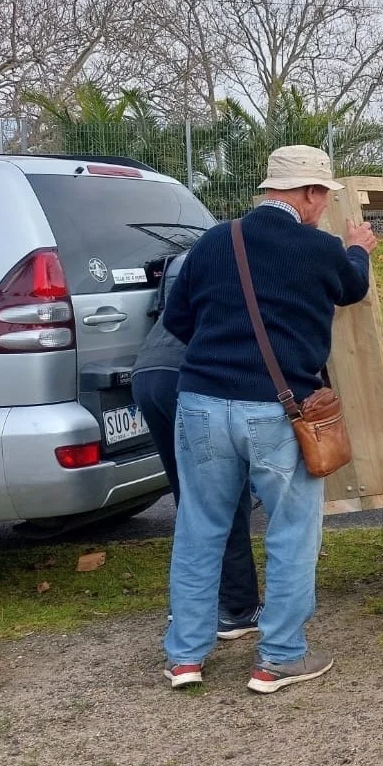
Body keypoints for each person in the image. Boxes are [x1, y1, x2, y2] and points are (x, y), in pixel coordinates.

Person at [160, 145, 376, 691]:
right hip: (281, 412)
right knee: (291, 532)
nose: (324, 205)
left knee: (199, 529)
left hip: (201, 404)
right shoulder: (320, 248)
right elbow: (352, 288)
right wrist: (358, 249)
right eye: (323, 195)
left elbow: (178, 318)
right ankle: (278, 657)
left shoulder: (213, 241)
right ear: (306, 193)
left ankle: (185, 657)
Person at [131, 249, 261, 639]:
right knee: (223, 496)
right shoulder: (259, 267)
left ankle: (190, 611)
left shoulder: (204, 262)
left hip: (149, 372)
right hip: (193, 381)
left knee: (192, 501)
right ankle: (236, 608)